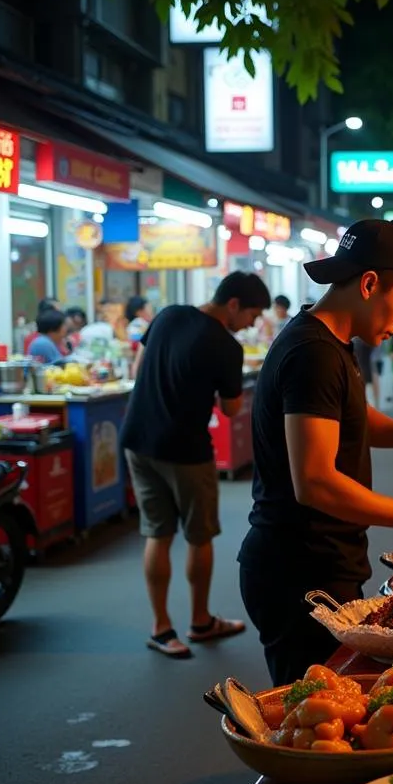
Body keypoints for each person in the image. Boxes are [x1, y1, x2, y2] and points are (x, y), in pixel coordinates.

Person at [238, 220, 393, 684]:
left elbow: (347, 415)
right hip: (298, 572)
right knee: (314, 721)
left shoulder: (329, 342)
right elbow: (315, 482)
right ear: (369, 284)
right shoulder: (313, 354)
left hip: (320, 562)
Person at [121, 272, 272, 659]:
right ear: (234, 304)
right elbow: (231, 407)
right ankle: (200, 621)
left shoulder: (168, 315)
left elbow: (138, 369)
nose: (252, 324)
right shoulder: (226, 346)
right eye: (252, 315)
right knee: (199, 535)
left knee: (157, 533)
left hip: (138, 440)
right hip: (186, 448)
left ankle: (160, 628)